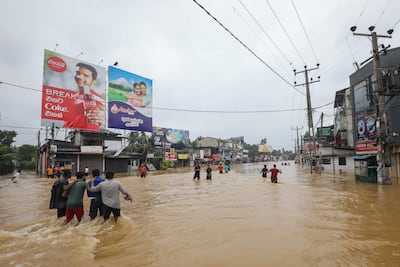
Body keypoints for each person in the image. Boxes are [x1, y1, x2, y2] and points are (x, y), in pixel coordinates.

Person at [64, 63, 105, 130]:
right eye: (78, 73)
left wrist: (101, 118)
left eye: (85, 75)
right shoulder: (73, 96)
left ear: (93, 82)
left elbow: (101, 114)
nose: (79, 77)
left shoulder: (95, 98)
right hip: (69, 135)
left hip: (86, 136)